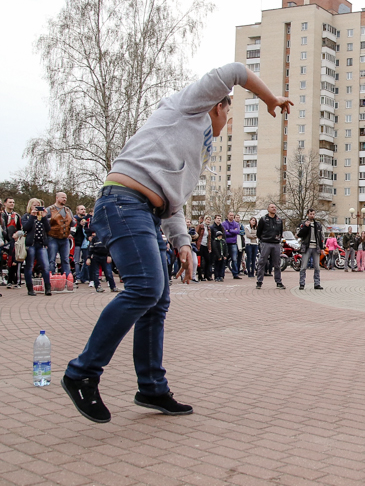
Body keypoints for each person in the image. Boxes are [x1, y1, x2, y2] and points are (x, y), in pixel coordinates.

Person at [64, 62, 291, 424]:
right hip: (122, 202)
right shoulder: (187, 106)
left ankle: (151, 387)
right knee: (144, 289)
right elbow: (234, 70)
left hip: (147, 212)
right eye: (228, 116)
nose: (226, 126)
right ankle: (82, 374)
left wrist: (182, 243)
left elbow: (172, 201)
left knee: (157, 300)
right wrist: (270, 98)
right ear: (219, 106)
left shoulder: (200, 152)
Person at [22, 198, 53, 296]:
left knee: (45, 266)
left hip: (41, 244)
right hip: (31, 244)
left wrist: (44, 217)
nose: (36, 207)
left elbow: (48, 229)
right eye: (34, 205)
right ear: (30, 206)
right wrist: (32, 216)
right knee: (29, 266)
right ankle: (30, 289)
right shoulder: (26, 216)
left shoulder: (42, 217)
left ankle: (48, 288)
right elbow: (26, 228)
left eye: (38, 205)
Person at [256, 203, 286, 289]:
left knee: (277, 264)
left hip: (276, 243)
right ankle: (259, 281)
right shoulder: (263, 219)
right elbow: (259, 232)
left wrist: (278, 239)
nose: (274, 209)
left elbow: (280, 232)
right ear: (268, 209)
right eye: (272, 207)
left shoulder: (279, 220)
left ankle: (278, 282)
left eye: (275, 207)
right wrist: (263, 239)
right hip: (266, 243)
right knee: (262, 262)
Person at [46, 192, 75, 277]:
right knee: (51, 259)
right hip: (53, 237)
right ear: (57, 198)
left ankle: (67, 279)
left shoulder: (68, 210)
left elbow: (72, 223)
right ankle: (50, 279)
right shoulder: (49, 209)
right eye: (62, 197)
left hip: (64, 238)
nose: (64, 199)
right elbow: (44, 222)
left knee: (66, 260)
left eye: (65, 198)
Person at [297, 208, 324, 290]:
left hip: (316, 247)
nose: (312, 215)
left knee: (317, 267)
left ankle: (317, 283)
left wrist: (322, 247)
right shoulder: (303, 223)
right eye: (310, 214)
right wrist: (306, 226)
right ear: (307, 214)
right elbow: (299, 234)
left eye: (313, 214)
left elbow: (321, 237)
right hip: (306, 247)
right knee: (303, 266)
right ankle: (302, 283)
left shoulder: (318, 224)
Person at [86, 227, 118, 293]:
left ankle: (113, 287)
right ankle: (98, 286)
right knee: (96, 273)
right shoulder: (94, 238)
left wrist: (109, 256)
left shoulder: (107, 238)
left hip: (105, 256)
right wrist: (88, 258)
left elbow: (111, 247)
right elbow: (90, 248)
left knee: (109, 273)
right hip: (96, 256)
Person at [222, 212, 242, 279]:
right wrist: (233, 232)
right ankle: (222, 274)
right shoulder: (224, 224)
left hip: (233, 243)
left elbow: (237, 232)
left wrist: (229, 230)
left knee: (234, 259)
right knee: (224, 259)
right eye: (230, 215)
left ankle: (235, 274)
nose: (231, 216)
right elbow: (224, 233)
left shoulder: (236, 224)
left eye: (232, 215)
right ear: (227, 216)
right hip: (226, 243)